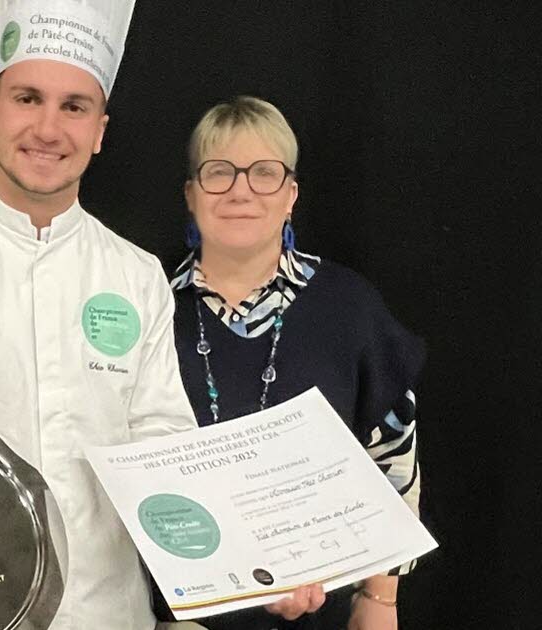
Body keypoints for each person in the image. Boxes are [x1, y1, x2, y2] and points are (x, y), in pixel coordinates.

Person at [0, 1, 202, 628]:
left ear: (100, 130)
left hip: (110, 611)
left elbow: (165, 444)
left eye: (74, 106)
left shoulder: (136, 275)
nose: (49, 129)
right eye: (28, 98)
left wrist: (247, 559)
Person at [168, 96, 424, 630]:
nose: (241, 190)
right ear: (191, 195)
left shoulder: (349, 306)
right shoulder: (150, 310)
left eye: (265, 173)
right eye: (219, 172)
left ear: (291, 195)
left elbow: (392, 455)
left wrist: (379, 600)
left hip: (316, 616)